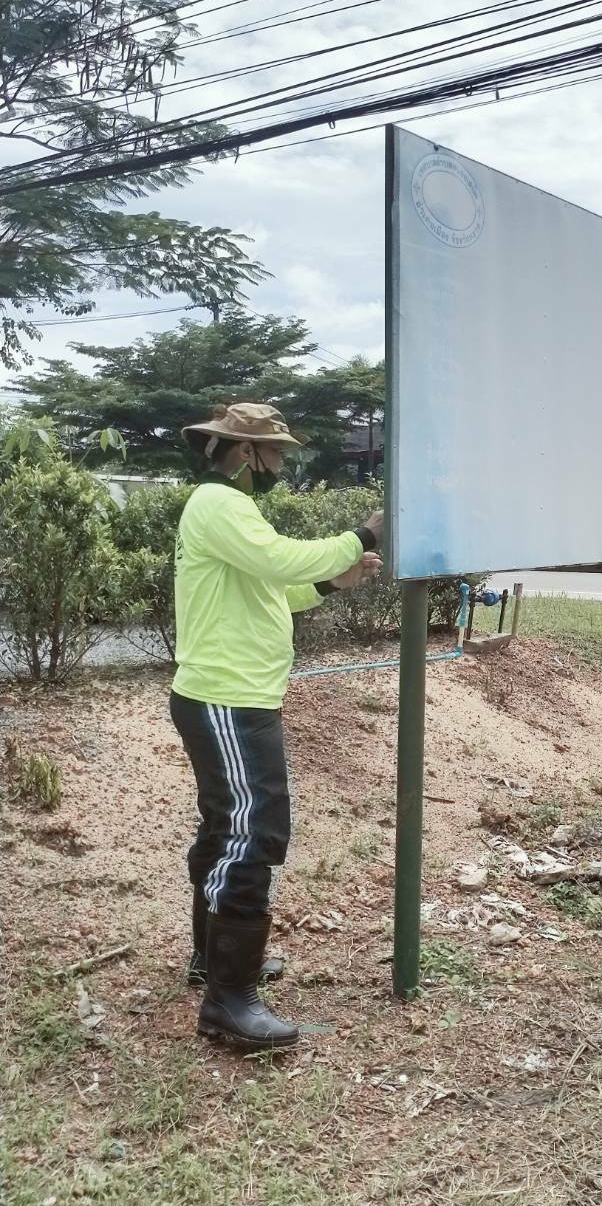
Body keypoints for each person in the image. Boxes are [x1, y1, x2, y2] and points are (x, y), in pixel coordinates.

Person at [172, 402, 383, 1050]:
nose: (281, 466)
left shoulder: (223, 508)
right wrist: (363, 537)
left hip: (228, 696)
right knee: (255, 830)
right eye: (277, 455)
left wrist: (332, 583)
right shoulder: (220, 504)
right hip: (229, 699)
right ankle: (229, 1001)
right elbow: (281, 558)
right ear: (245, 452)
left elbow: (275, 585)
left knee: (226, 828)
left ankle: (214, 961)